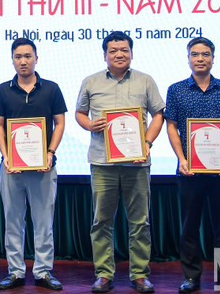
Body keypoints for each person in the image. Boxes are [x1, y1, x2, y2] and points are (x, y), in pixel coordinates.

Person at [75, 31, 164, 294]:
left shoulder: (145, 81)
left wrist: (146, 143)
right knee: (101, 221)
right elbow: (79, 113)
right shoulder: (91, 82)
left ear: (131, 52)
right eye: (113, 50)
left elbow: (159, 114)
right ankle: (104, 274)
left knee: (140, 222)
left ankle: (139, 274)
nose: (119, 54)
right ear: (105, 55)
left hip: (137, 164)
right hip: (103, 163)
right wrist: (90, 124)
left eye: (124, 49)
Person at [164, 37, 220, 294]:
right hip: (189, 170)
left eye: (206, 54)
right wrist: (182, 159)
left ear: (213, 58)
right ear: (188, 58)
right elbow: (172, 126)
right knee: (189, 225)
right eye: (196, 54)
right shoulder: (176, 90)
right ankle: (191, 278)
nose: (200, 58)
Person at [0, 38, 67, 291]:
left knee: (44, 221)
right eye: (18, 56)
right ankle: (15, 271)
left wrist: (50, 152)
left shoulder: (51, 88)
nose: (23, 61)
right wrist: (5, 155)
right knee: (13, 220)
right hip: (12, 167)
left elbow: (60, 122)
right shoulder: (3, 90)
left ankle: (43, 271)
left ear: (36, 57)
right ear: (12, 59)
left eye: (28, 56)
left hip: (44, 166)